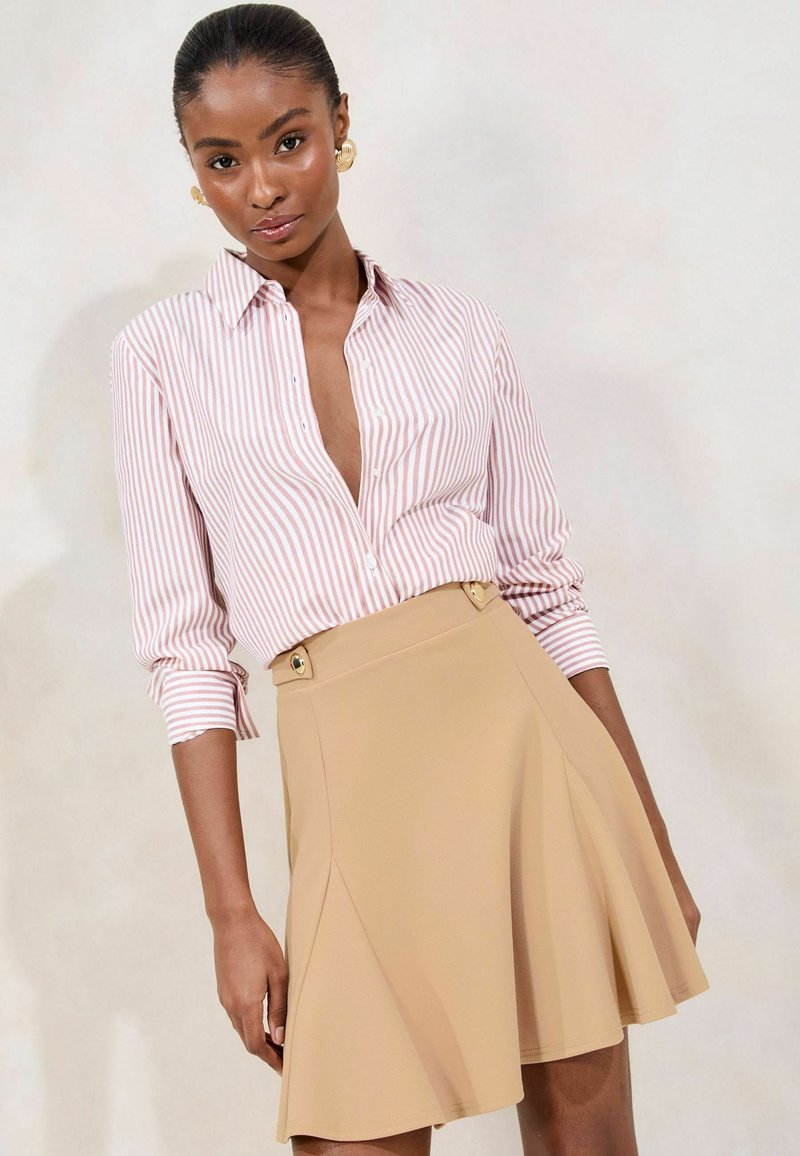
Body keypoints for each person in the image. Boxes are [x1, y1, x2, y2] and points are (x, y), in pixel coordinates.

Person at [107, 5, 710, 1153]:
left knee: (584, 1135)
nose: (261, 187)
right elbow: (186, 653)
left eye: (288, 141)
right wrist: (232, 913)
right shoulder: (160, 359)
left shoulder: (460, 333)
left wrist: (645, 831)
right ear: (192, 172)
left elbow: (545, 593)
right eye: (221, 161)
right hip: (350, 789)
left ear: (339, 126)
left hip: (527, 760)